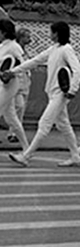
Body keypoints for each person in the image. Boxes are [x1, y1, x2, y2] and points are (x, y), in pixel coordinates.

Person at [7, 20, 80, 167]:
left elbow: (78, 70)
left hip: (60, 94)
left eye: (52, 32)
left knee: (44, 123)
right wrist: (13, 71)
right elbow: (35, 61)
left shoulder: (67, 49)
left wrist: (72, 90)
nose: (50, 34)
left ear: (57, 34)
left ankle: (26, 156)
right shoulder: (54, 49)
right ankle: (76, 156)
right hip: (52, 92)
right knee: (64, 125)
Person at [0, 19, 28, 150]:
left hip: (10, 85)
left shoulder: (14, 46)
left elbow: (22, 64)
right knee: (11, 117)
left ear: (4, 32)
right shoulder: (2, 46)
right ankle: (26, 148)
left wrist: (12, 72)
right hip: (2, 84)